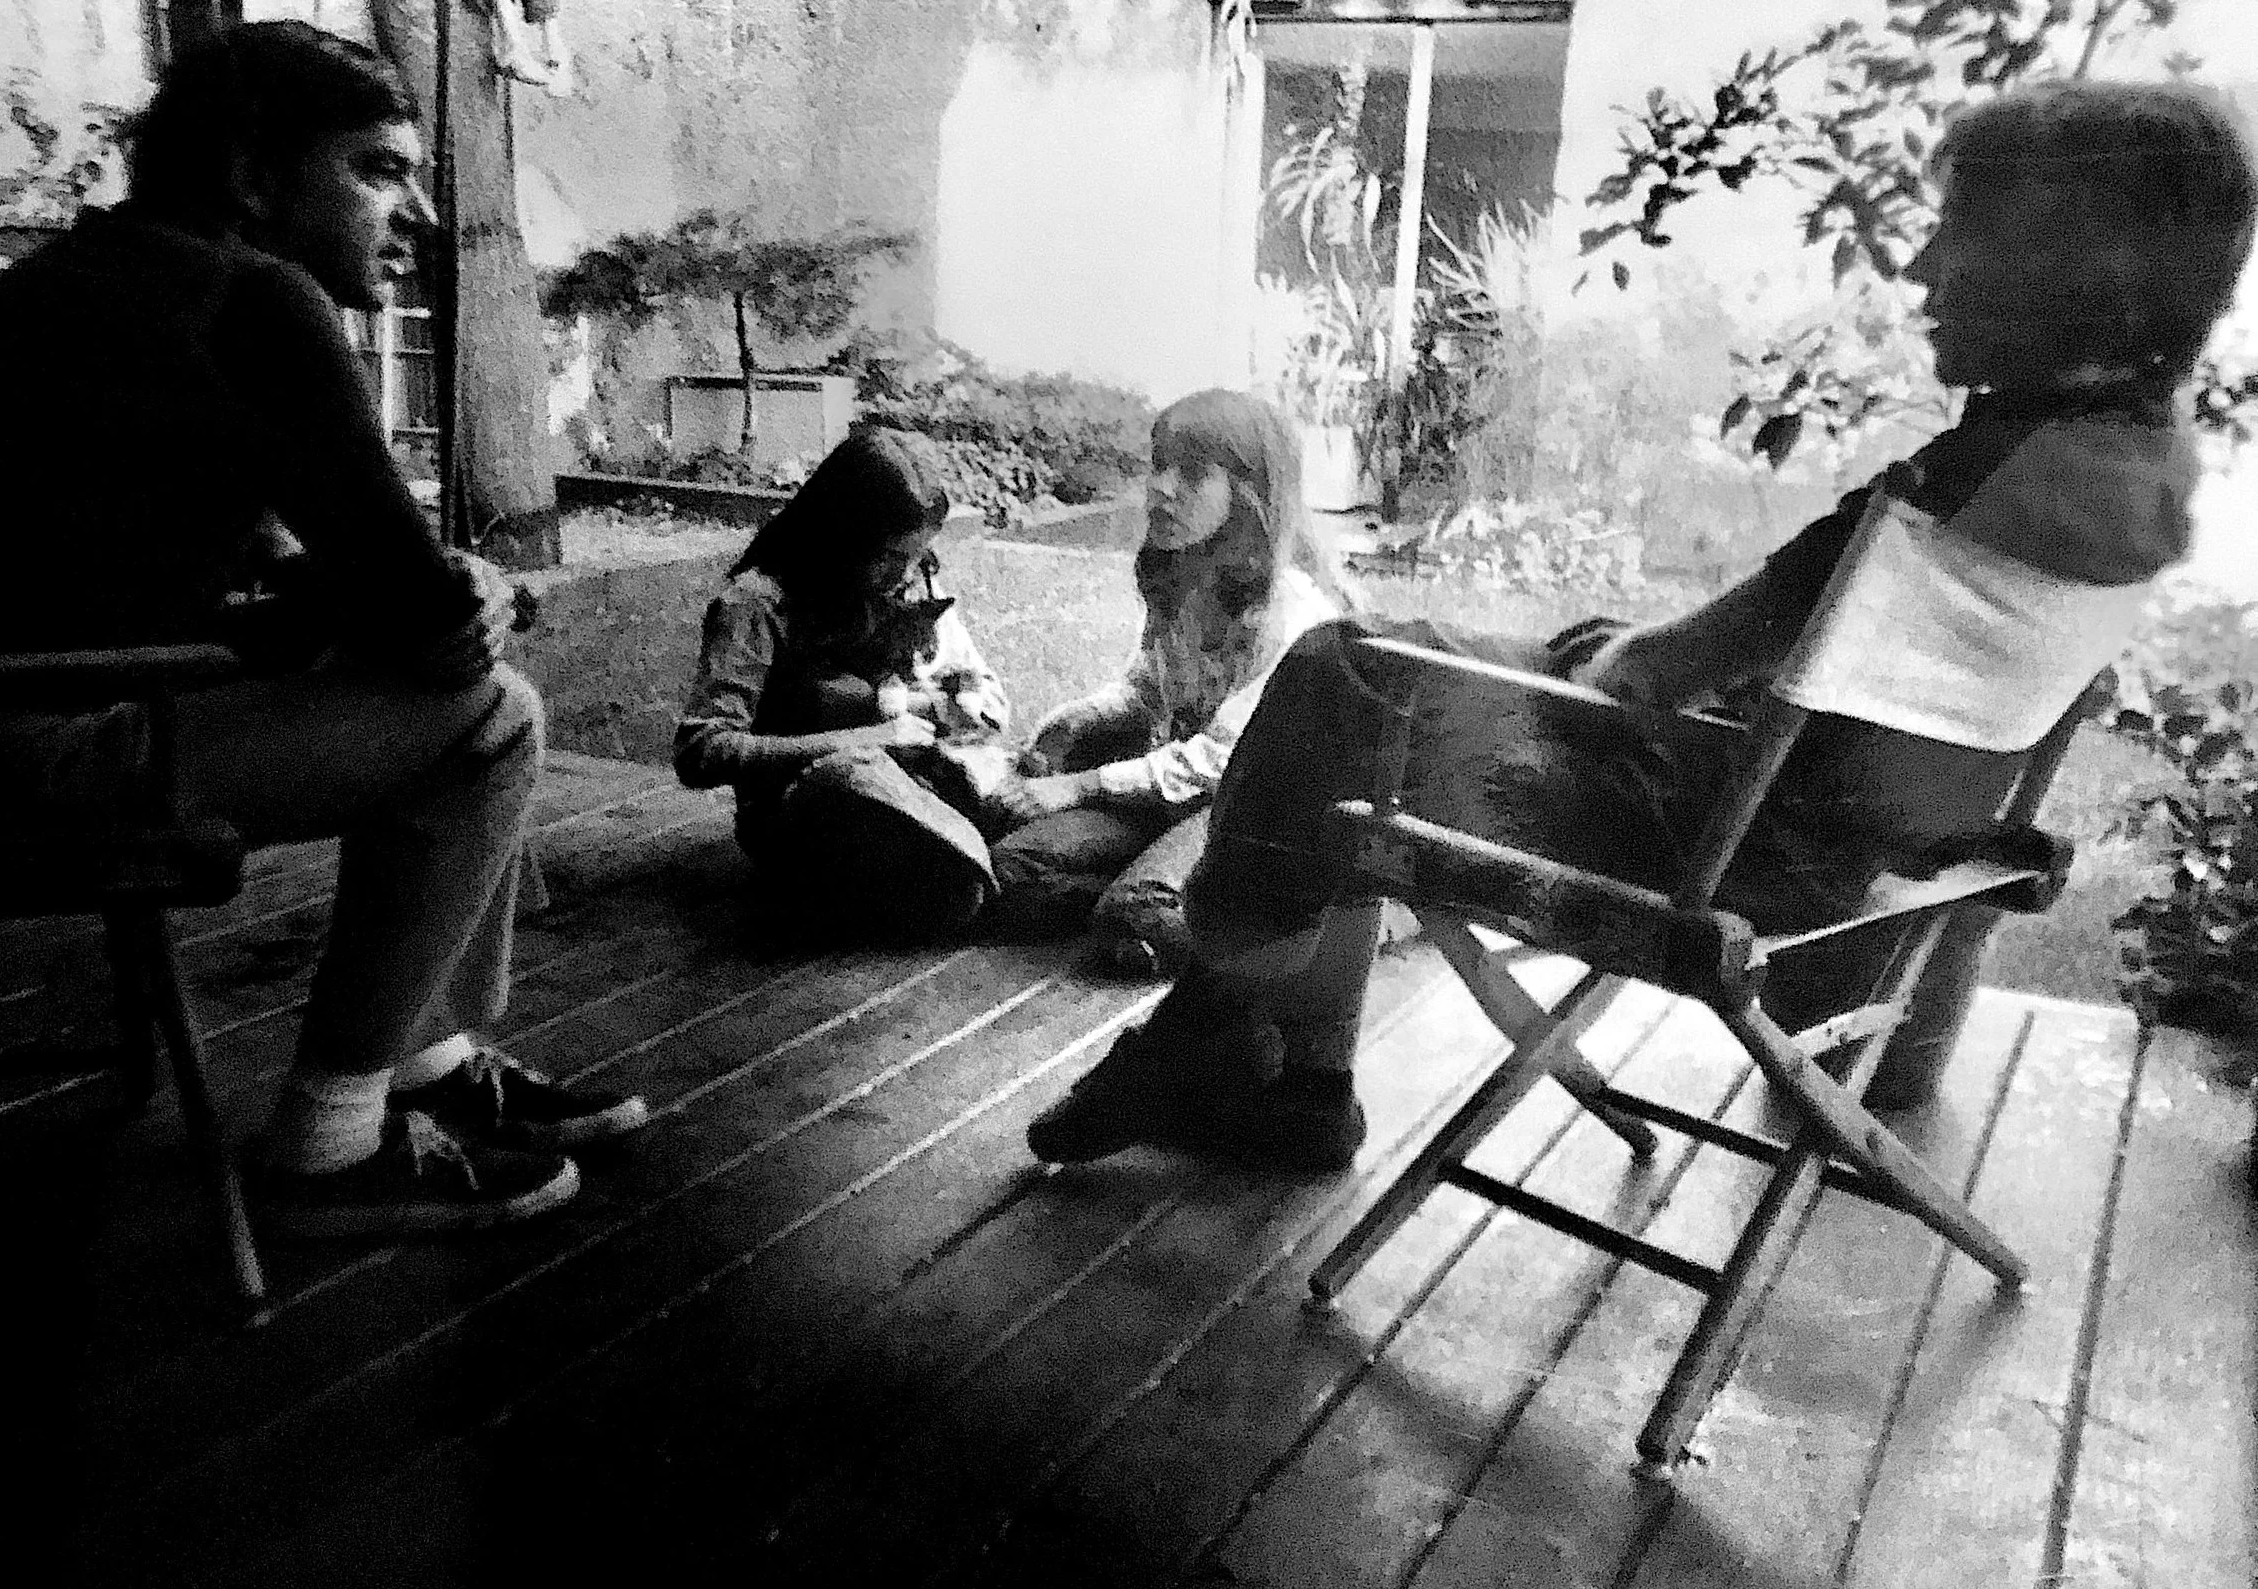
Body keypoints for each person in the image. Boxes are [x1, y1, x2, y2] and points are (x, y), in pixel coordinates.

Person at [1028, 80, 2258, 1172]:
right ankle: (1282, 1079)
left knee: (1344, 680)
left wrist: (1612, 659)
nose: (1924, 269)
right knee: (1434, 690)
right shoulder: (2140, 474)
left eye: (1961, 233)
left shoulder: (1944, 497)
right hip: (1856, 854)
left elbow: (1652, 674)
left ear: (2081, 274)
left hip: (1719, 847)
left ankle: (1228, 1036)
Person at [0, 20, 642, 1236]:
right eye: (378, 170)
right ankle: (331, 1144)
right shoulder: (252, 297)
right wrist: (482, 589)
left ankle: (426, 1066)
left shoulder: (109, 276)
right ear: (252, 172)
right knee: (487, 717)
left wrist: (403, 595)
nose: (414, 215)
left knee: (443, 701)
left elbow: (222, 575)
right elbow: (426, 627)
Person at [985, 389, 1348, 975]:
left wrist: (1082, 787)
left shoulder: (1294, 610)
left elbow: (1222, 759)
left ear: (1249, 494)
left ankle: (1313, 918)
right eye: (1159, 467)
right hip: (1177, 796)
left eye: (1193, 474)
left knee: (1140, 917)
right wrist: (1082, 718)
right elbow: (1150, 688)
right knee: (1011, 868)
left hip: (1254, 812)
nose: (1161, 488)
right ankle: (1165, 895)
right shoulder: (1185, 573)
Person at [674, 428, 1012, 941]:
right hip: (809, 804)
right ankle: (971, 867)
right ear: (841, 539)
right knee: (857, 775)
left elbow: (967, 686)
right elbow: (702, 750)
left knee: (1015, 785)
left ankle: (971, 861)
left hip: (912, 781)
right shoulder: (756, 603)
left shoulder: (908, 578)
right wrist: (867, 739)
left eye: (917, 555)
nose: (905, 573)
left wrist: (960, 699)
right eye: (889, 557)